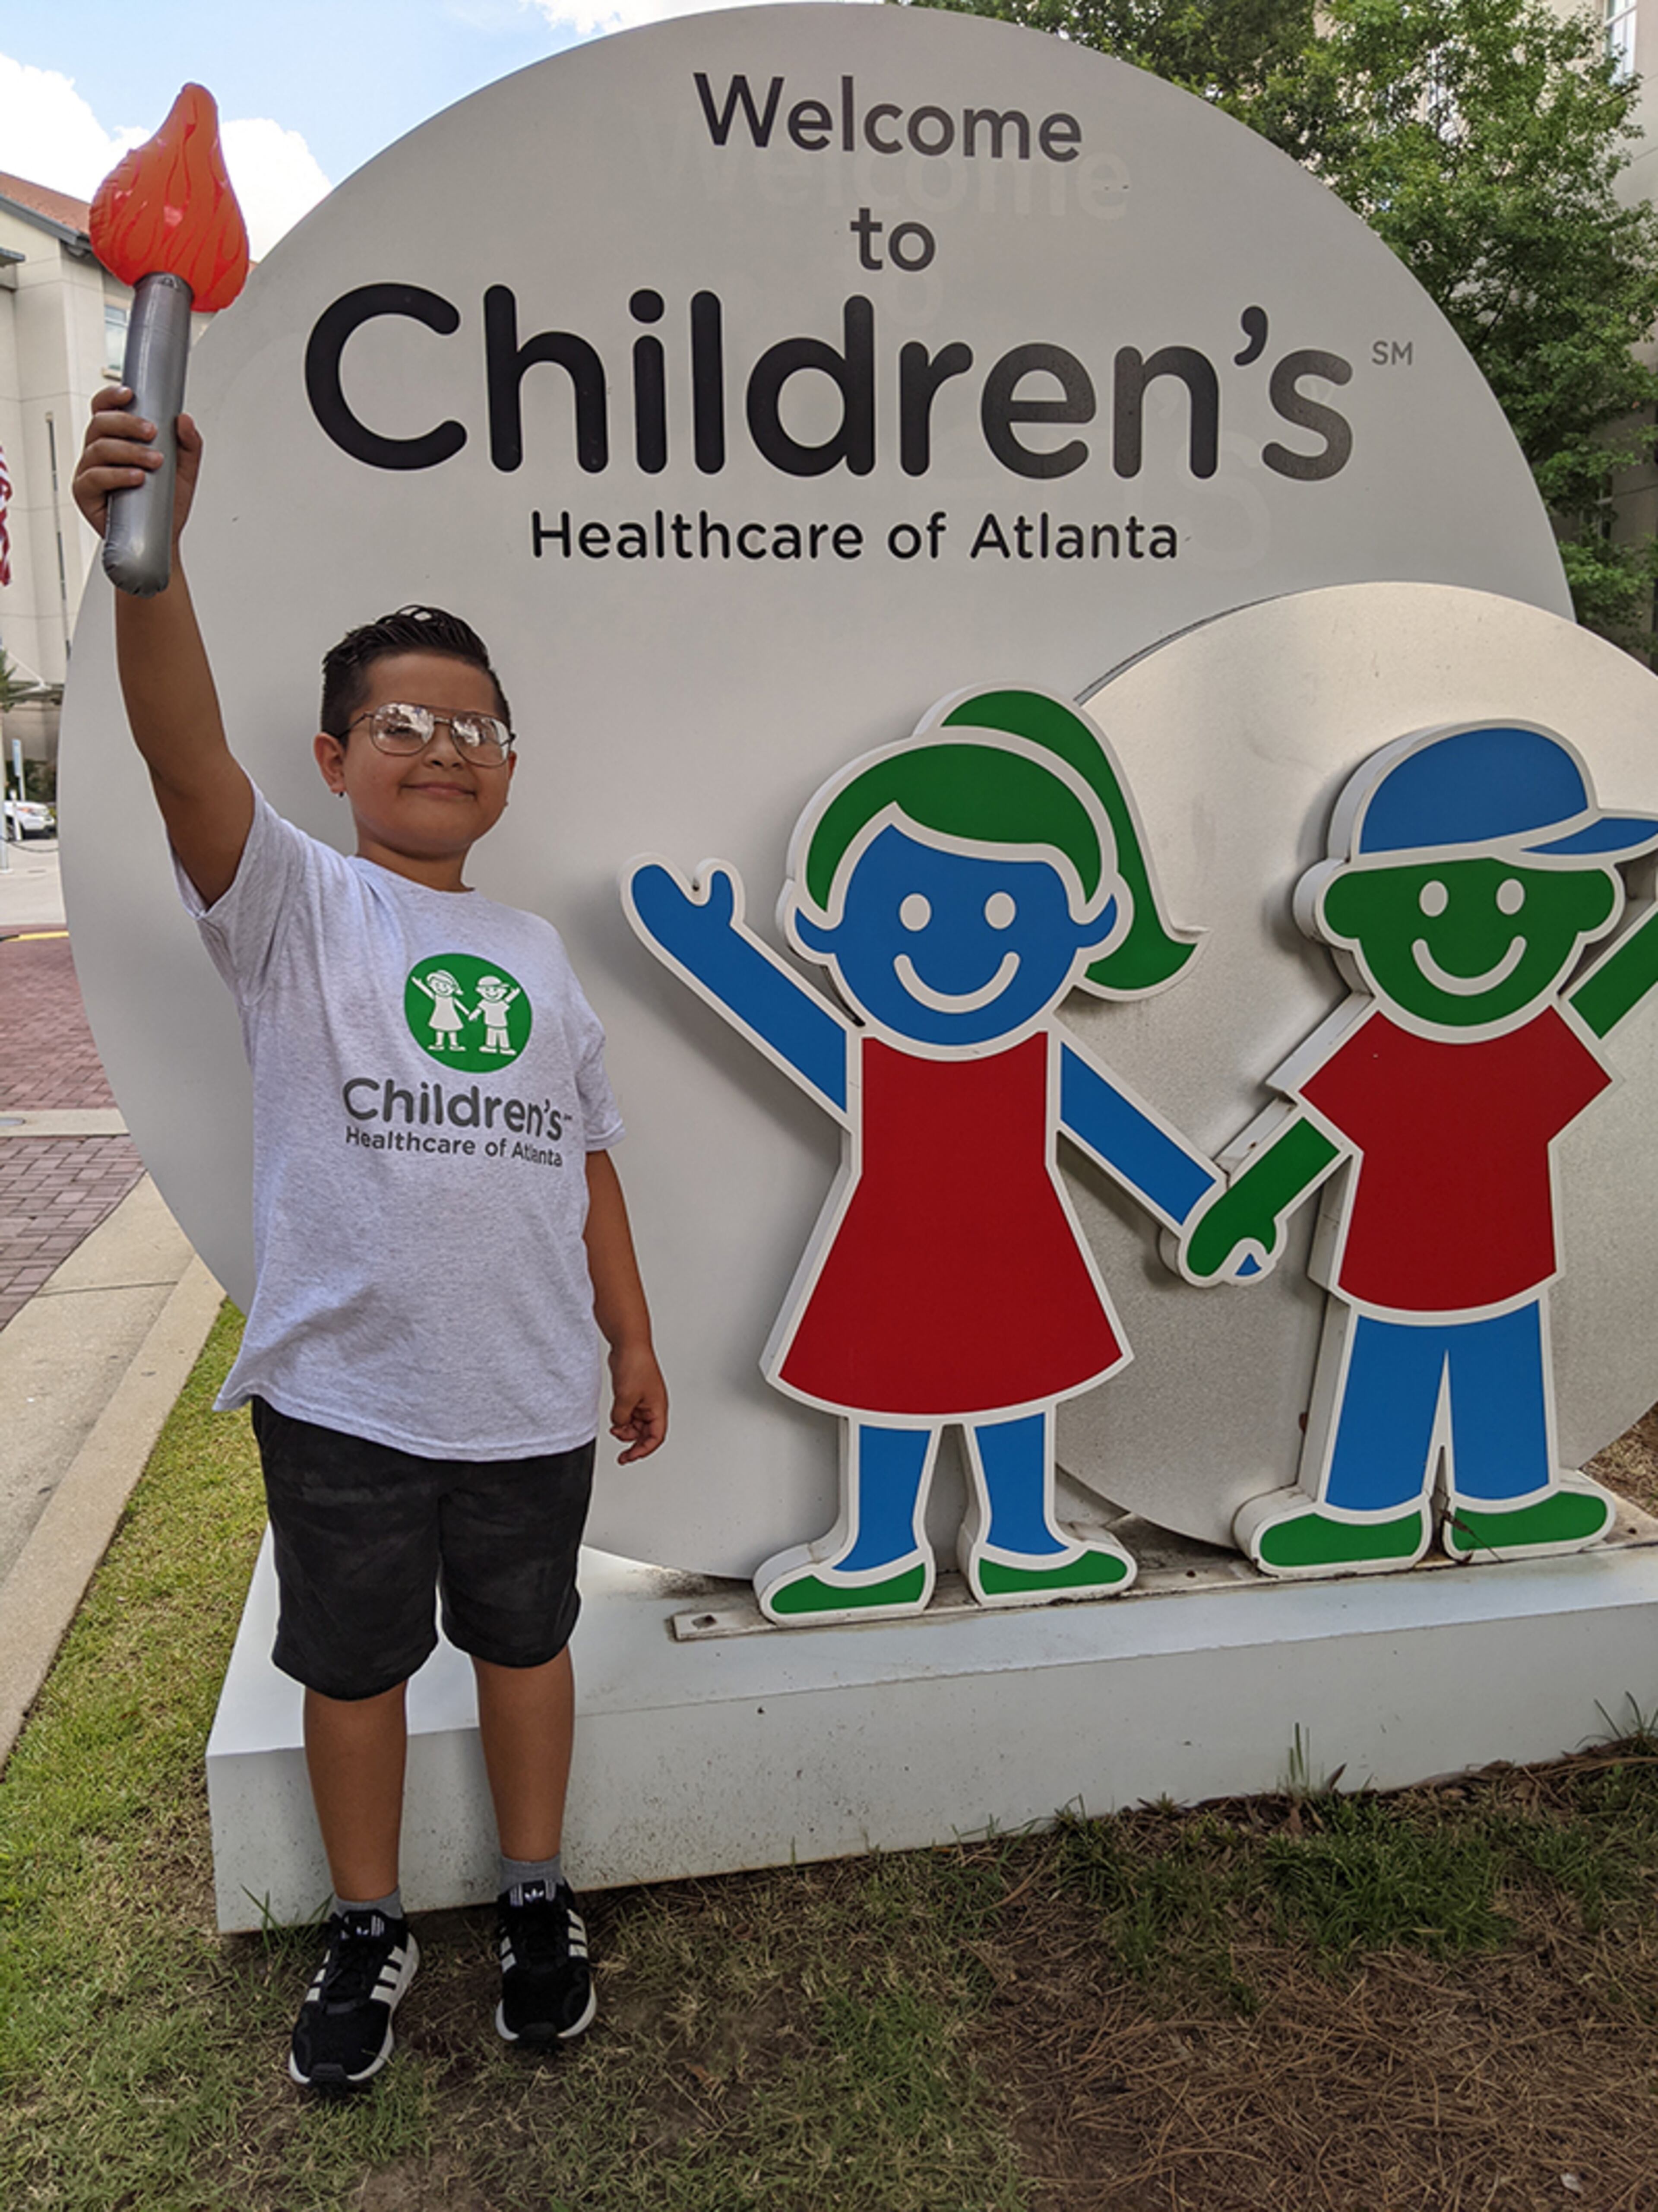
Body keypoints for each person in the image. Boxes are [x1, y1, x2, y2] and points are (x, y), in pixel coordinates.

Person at [73, 385, 668, 2091]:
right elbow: (183, 748)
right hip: (346, 1395)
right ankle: (365, 1921)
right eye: (403, 721)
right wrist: (148, 560)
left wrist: (629, 1332)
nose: (445, 746)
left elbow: (585, 1158)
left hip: (530, 1393)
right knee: (352, 1668)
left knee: (527, 1643)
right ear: (334, 759)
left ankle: (538, 1894)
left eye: (477, 726)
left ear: (508, 766)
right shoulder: (290, 904)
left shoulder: (538, 954)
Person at [626, 686, 1220, 1625]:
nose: (954, 943)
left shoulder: (1038, 1057)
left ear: (1088, 924)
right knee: (887, 1395)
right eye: (907, 913)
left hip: (1016, 1259)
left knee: (1016, 1392)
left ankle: (1021, 1538)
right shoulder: (874, 1061)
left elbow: (1124, 1136)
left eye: (1003, 913)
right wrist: (708, 949)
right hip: (893, 1260)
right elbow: (785, 1023)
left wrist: (1204, 1205)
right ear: (824, 925)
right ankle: (878, 1548)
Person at [1176, 721, 1658, 1576]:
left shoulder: (1529, 1038)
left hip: (1509, 1258)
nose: (1481, 930)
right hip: (1390, 1266)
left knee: (1503, 1373)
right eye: (1438, 902)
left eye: (1516, 900)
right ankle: (1365, 1508)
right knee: (1383, 1379)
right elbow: (1311, 1136)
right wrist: (1246, 1206)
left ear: (1588, 908)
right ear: (1357, 917)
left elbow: (1611, 993)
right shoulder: (1380, 1047)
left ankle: (1511, 1498)